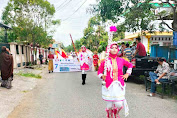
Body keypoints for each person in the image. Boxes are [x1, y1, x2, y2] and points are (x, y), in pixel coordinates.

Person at [98, 43, 133, 118]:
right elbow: (99, 72)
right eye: (112, 48)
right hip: (109, 85)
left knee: (119, 104)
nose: (114, 49)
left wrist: (127, 74)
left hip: (119, 85)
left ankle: (117, 113)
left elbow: (130, 65)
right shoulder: (105, 61)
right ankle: (110, 114)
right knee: (109, 106)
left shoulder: (121, 60)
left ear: (118, 50)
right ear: (109, 50)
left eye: (116, 48)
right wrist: (102, 76)